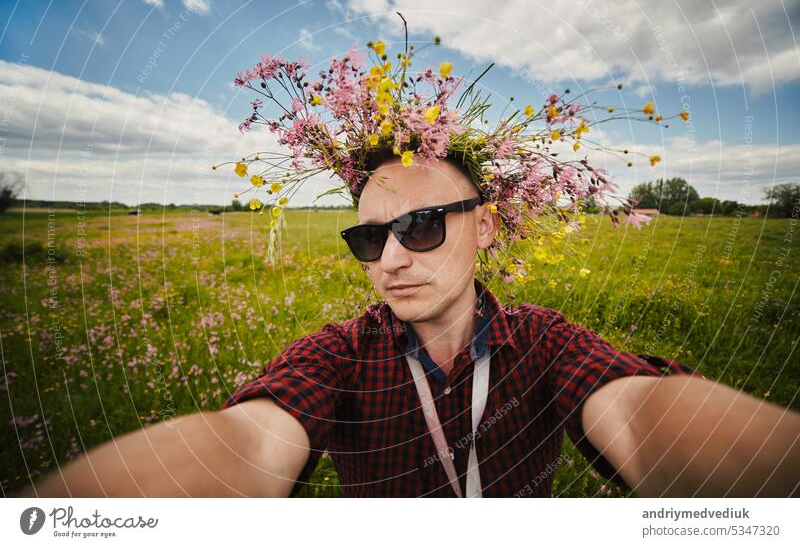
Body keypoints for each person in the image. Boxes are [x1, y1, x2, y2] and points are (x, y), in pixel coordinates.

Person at [22, 152, 800, 498]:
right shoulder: (337, 356)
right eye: (369, 238)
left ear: (487, 227)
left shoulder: (544, 339)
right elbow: (249, 441)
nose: (390, 259)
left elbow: (638, 408)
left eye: (423, 225)